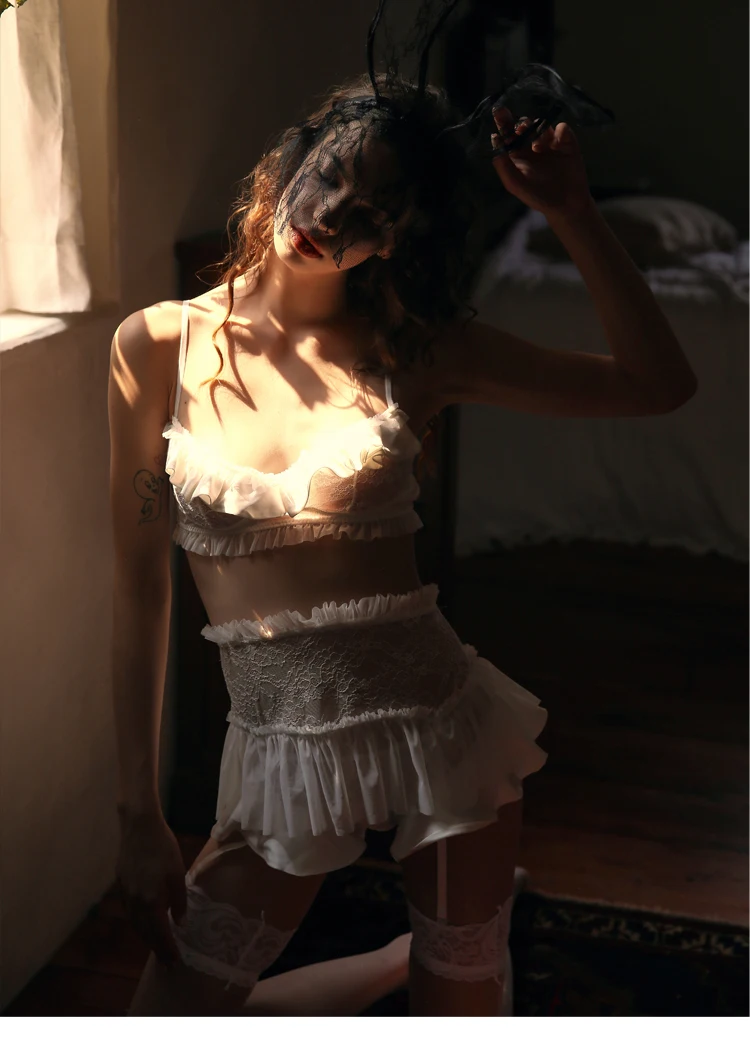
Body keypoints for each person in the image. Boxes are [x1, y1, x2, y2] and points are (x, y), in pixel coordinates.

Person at [107, 64, 697, 1017]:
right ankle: (396, 961)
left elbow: (658, 385)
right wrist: (137, 815)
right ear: (289, 165)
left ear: (396, 240)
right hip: (280, 754)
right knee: (164, 1024)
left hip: (442, 731)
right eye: (330, 177)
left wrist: (574, 213)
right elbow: (141, 588)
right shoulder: (155, 345)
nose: (332, 215)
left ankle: (439, 966)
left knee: (456, 1009)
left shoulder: (418, 350)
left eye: (374, 212)